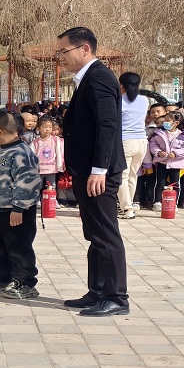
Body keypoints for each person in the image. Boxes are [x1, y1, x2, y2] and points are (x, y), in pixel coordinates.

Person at [56, 27, 129, 317]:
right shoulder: (88, 78)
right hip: (86, 171)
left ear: (84, 49)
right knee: (94, 233)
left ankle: (116, 297)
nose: (60, 57)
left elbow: (107, 127)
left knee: (106, 235)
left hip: (99, 173)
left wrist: (99, 169)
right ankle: (97, 291)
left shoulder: (99, 77)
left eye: (64, 51)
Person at [0, 110, 42, 299]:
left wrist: (19, 207)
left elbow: (28, 181)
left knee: (19, 248)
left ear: (0, 131)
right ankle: (2, 278)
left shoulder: (22, 152)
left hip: (16, 211)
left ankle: (26, 283)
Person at [113, 72, 149, 219]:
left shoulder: (119, 101)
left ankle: (127, 208)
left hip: (125, 141)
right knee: (133, 175)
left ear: (121, 85)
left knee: (122, 176)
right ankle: (127, 206)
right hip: (141, 142)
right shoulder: (145, 100)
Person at [145, 112, 184, 210]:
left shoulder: (183, 135)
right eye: (164, 120)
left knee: (175, 184)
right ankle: (157, 202)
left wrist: (176, 153)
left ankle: (173, 203)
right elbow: (153, 144)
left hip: (176, 164)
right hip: (162, 162)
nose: (165, 123)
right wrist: (158, 152)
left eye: (168, 121)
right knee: (160, 183)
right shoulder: (159, 133)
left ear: (176, 123)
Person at [31, 115, 64, 199]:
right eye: (45, 127)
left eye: (50, 127)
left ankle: (52, 199)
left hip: (51, 168)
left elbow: (60, 153)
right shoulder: (35, 142)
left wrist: (61, 164)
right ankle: (37, 199)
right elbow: (32, 155)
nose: (48, 129)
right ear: (38, 128)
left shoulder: (56, 140)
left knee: (52, 185)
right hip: (40, 169)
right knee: (38, 185)